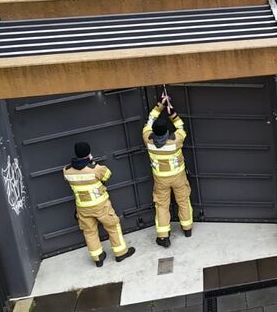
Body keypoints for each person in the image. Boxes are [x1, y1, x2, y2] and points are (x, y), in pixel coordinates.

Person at [63, 142, 135, 267]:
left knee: (89, 232)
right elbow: (107, 175)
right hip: (100, 205)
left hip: (82, 207)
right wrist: (93, 163)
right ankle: (121, 253)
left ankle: (98, 258)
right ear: (88, 153)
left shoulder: (67, 171)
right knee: (113, 226)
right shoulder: (95, 169)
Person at [144, 91, 193, 248]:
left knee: (162, 205)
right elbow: (180, 126)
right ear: (166, 131)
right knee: (183, 200)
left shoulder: (148, 139)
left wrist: (159, 106)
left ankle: (163, 236)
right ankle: (187, 228)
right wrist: (172, 113)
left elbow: (149, 121)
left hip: (160, 179)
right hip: (178, 177)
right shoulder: (176, 140)